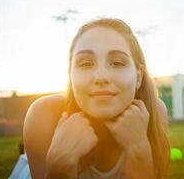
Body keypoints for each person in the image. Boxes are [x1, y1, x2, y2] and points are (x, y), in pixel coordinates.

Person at [17, 18, 170, 179]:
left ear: (138, 77)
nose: (101, 77)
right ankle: (24, 153)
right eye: (85, 63)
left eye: (117, 63)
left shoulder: (155, 111)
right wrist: (60, 164)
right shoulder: (43, 113)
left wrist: (139, 149)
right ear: (70, 75)